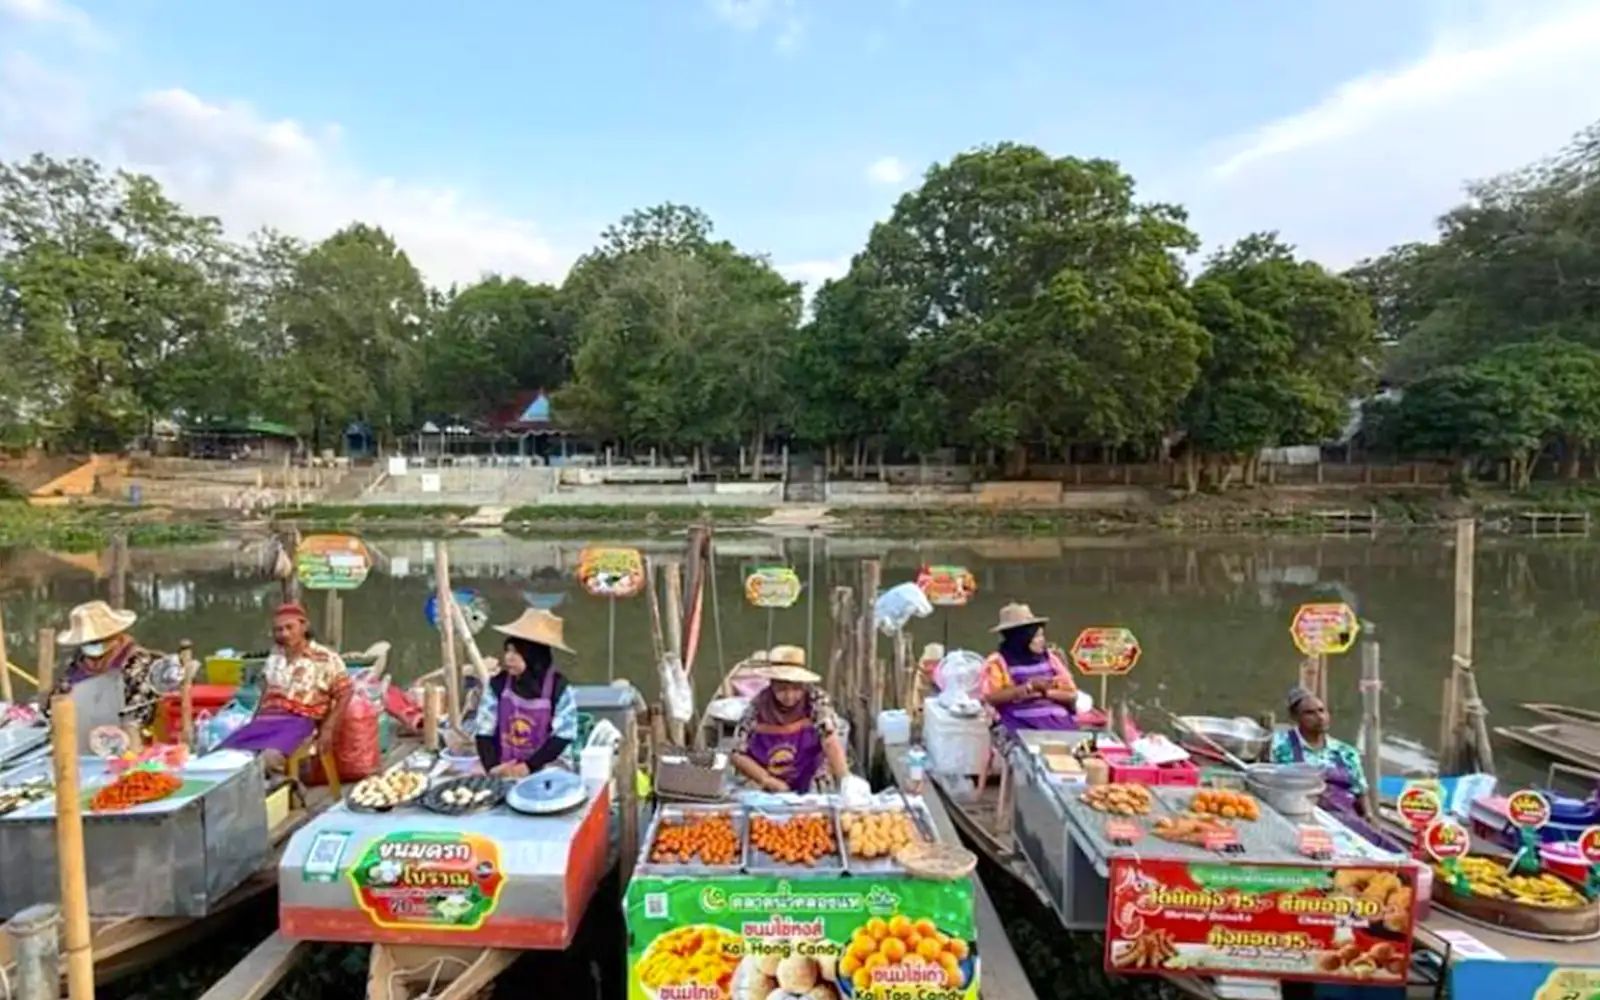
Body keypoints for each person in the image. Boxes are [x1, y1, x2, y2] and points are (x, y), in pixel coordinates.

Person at [220, 602, 350, 769]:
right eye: (278, 630)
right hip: (266, 721)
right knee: (224, 756)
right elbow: (265, 693)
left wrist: (328, 729)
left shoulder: (326, 658)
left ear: (304, 626)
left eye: (290, 627)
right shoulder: (275, 656)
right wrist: (253, 722)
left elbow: (345, 693)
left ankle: (281, 788)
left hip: (300, 723)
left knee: (268, 759)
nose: (284, 634)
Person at [1271, 686, 1386, 845]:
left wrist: (1369, 816)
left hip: (1344, 819)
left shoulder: (1345, 752)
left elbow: (1360, 791)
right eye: (1310, 713)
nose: (1320, 717)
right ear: (1295, 717)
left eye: (1322, 710)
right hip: (1300, 819)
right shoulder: (1278, 746)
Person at [472, 609, 579, 778]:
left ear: (535, 655)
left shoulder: (559, 688)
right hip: (505, 766)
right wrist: (492, 767)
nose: (508, 658)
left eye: (517, 652)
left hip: (547, 767)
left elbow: (563, 736)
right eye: (507, 650)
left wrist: (529, 766)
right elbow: (484, 730)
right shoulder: (498, 684)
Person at [731, 646, 850, 794]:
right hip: (766, 777)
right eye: (782, 689)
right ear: (772, 683)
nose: (789, 696)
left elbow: (830, 739)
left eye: (796, 689)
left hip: (810, 774)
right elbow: (737, 753)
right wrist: (766, 779)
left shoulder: (816, 700)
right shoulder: (758, 706)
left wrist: (846, 780)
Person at [53, 600, 162, 730]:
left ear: (115, 636)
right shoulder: (77, 664)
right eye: (86, 643)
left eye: (97, 642)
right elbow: (58, 699)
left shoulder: (138, 664)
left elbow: (138, 714)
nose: (92, 650)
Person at [980, 603, 1088, 732]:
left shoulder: (1051, 659)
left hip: (1059, 723)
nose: (1042, 640)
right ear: (1021, 637)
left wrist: (1045, 693)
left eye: (1042, 635)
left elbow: (1071, 695)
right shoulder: (998, 661)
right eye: (1037, 636)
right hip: (1020, 724)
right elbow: (992, 697)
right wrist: (1027, 688)